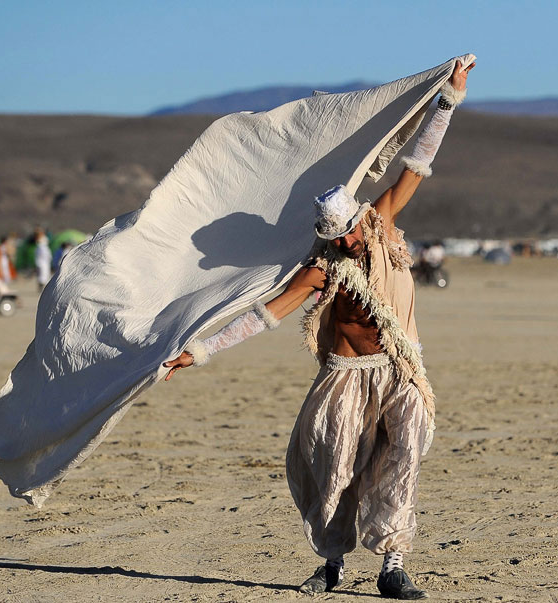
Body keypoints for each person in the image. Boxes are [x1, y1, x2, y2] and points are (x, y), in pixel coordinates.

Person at [163, 59, 473, 600]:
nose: (351, 243)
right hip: (345, 377)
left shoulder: (383, 225)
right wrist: (200, 352)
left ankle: (393, 565)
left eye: (352, 232)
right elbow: (268, 314)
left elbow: (416, 165)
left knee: (403, 457)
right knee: (335, 470)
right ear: (328, 239)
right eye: (341, 239)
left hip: (402, 370)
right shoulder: (321, 269)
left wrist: (448, 99)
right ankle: (332, 562)